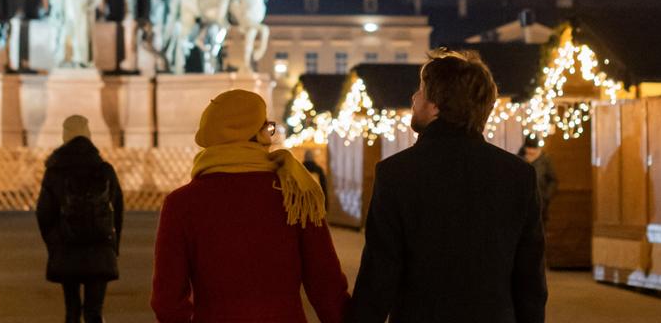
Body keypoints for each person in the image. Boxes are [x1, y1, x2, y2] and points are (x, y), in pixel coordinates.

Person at [348, 49, 547, 322]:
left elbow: (379, 274)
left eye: (420, 90)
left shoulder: (397, 173)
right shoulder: (518, 175)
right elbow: (530, 282)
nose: (414, 98)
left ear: (435, 105)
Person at [152, 90, 349, 322]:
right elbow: (326, 284)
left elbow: (167, 299)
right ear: (253, 133)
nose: (270, 135)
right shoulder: (295, 194)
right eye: (266, 126)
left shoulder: (181, 204)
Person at [36, 115, 125, 323]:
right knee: (94, 311)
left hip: (67, 249)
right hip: (100, 250)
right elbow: (118, 210)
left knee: (72, 310)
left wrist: (54, 243)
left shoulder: (55, 171)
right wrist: (114, 245)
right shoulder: (104, 170)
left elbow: (43, 213)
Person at [519, 136, 559, 224]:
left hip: (541, 201)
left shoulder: (545, 160)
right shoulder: (519, 159)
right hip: (522, 202)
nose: (530, 152)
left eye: (533, 149)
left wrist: (546, 196)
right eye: (528, 149)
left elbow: (553, 180)